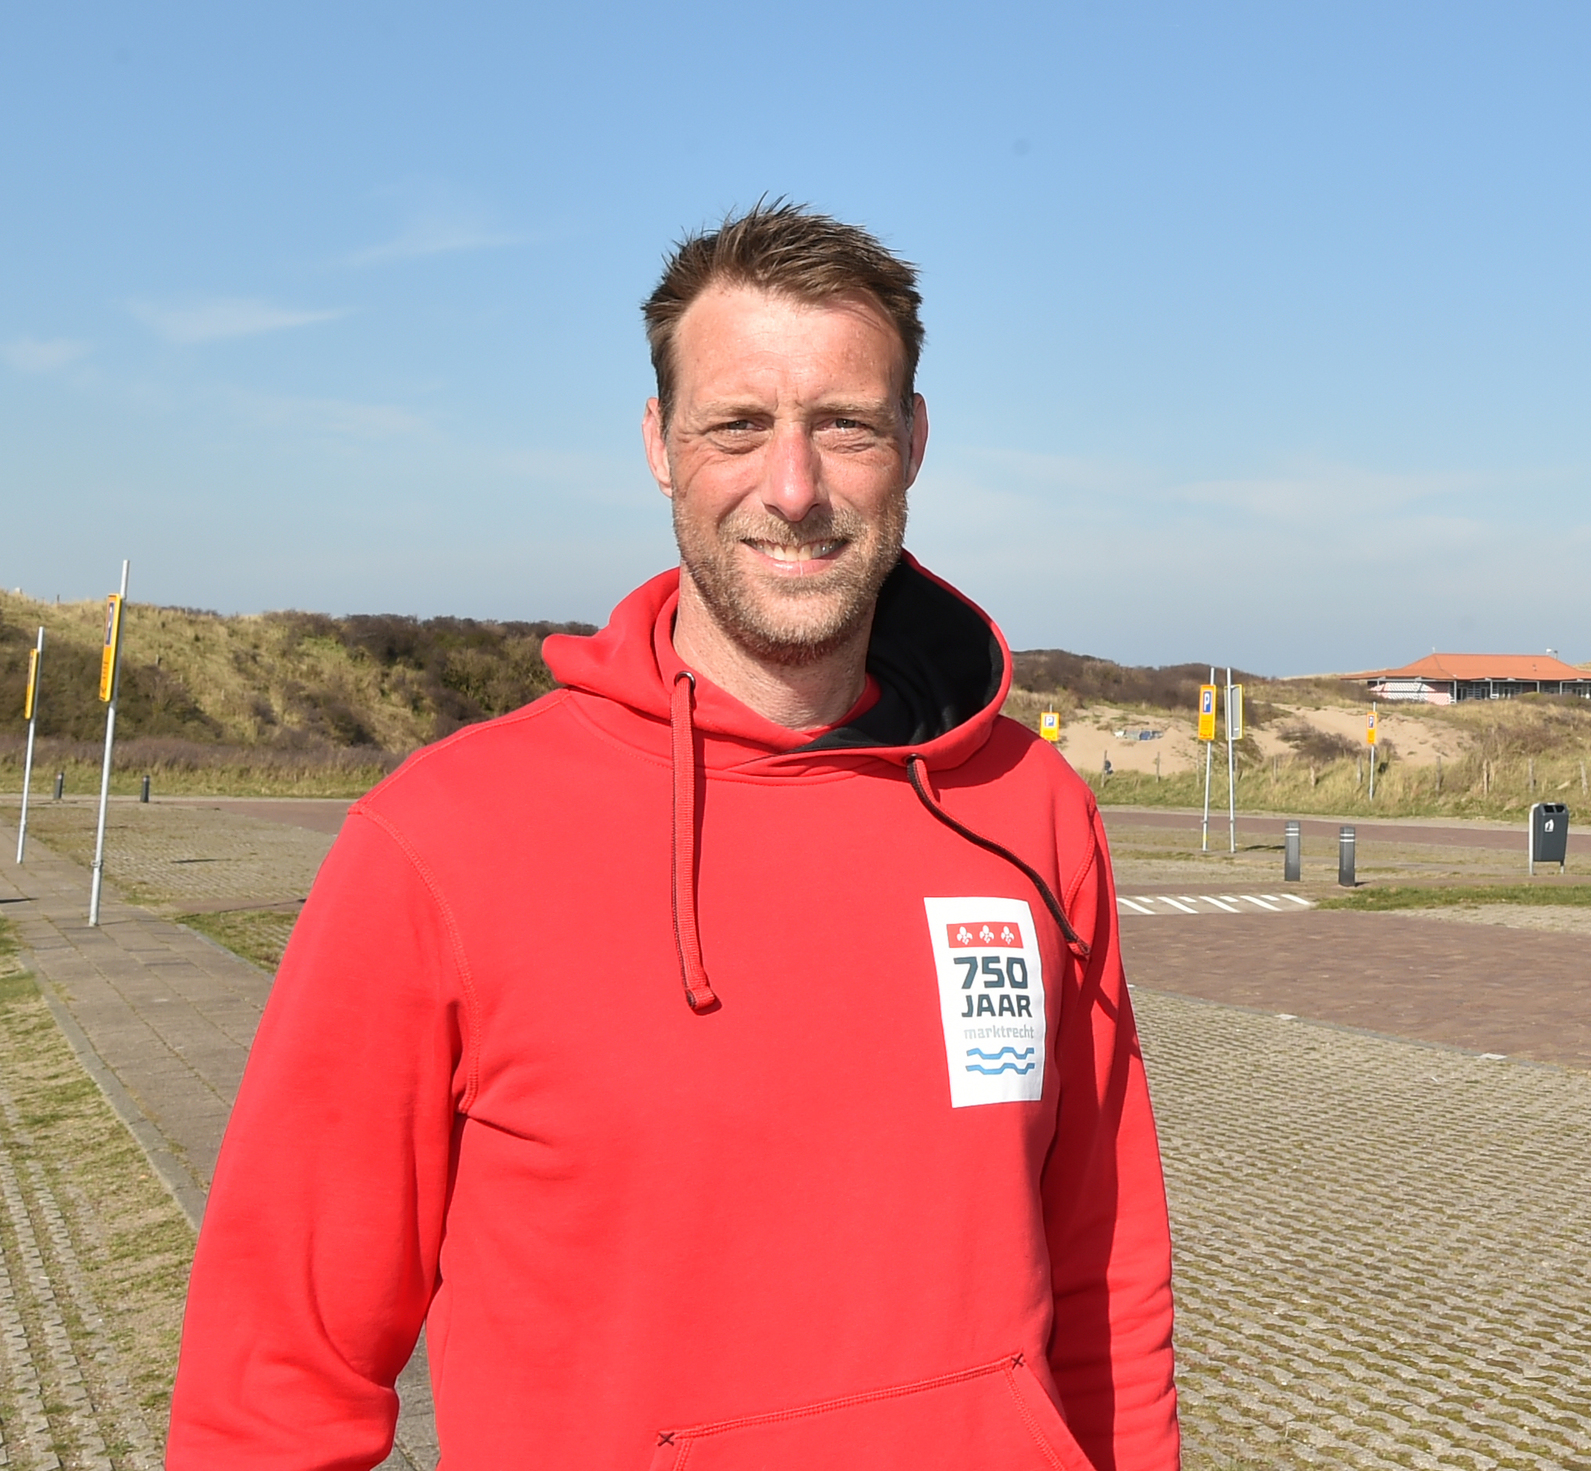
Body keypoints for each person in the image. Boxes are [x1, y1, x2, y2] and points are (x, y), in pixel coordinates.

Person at [169, 203, 1179, 1469]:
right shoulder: (440, 841)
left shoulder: (1032, 809)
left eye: (846, 425)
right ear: (658, 443)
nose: (794, 487)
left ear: (914, 443)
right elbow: (277, 1377)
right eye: (737, 426)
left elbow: (1104, 1268)